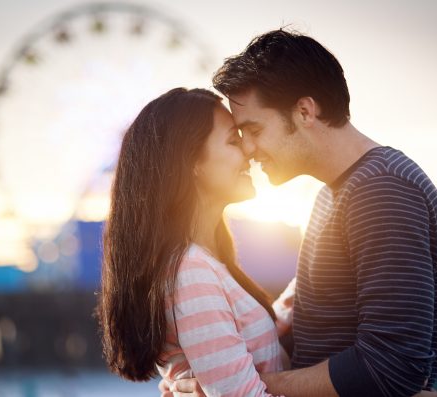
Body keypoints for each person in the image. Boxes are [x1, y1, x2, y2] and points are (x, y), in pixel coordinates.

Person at [162, 29, 437, 397]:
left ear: (304, 111)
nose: (248, 149)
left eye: (253, 129)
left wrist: (244, 388)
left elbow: (391, 366)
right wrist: (204, 377)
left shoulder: (382, 191)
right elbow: (315, 331)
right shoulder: (337, 195)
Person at [97, 87, 293, 396]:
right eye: (233, 140)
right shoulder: (190, 272)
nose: (249, 151)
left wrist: (316, 272)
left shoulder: (204, 263)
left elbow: (245, 336)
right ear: (192, 163)